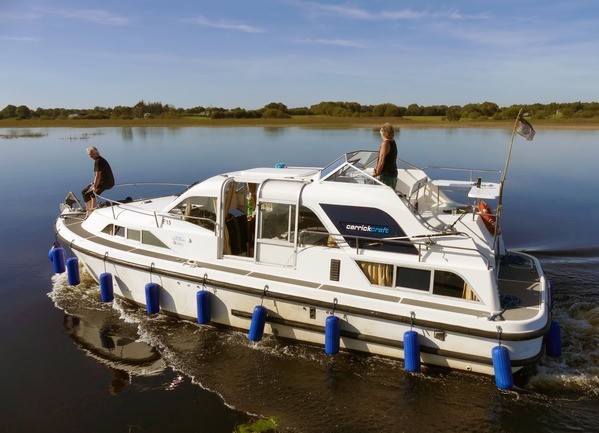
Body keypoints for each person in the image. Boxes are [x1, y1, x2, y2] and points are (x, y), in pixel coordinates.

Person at [82, 147, 114, 216]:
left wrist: (94, 186)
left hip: (106, 182)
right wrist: (94, 185)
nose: (90, 156)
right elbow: (98, 176)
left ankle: (91, 211)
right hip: (107, 182)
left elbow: (98, 175)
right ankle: (90, 210)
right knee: (87, 192)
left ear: (97, 153)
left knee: (89, 192)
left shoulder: (98, 161)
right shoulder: (100, 160)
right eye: (89, 155)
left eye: (91, 154)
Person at [372, 122, 398, 189]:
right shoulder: (393, 142)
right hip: (393, 173)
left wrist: (376, 173)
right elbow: (394, 158)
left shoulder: (385, 143)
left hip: (386, 175)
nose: (380, 134)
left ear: (383, 133)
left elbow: (381, 161)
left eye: (380, 132)